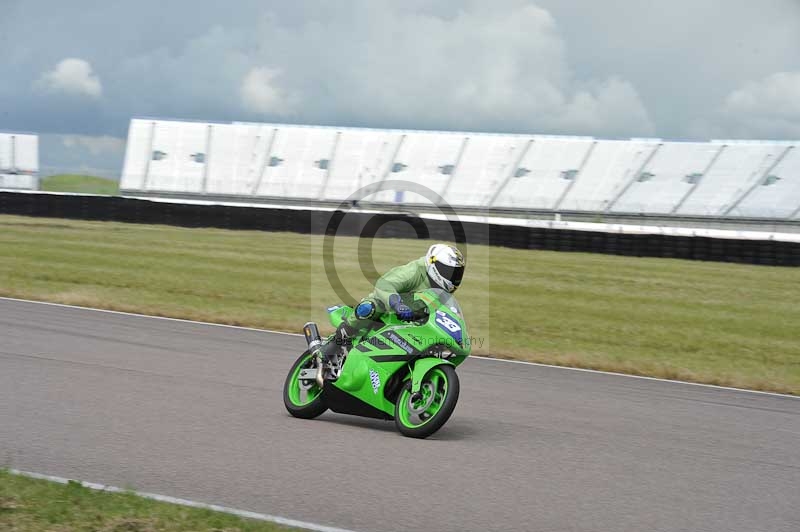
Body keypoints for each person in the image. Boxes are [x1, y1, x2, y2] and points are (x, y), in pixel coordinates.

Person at [320, 243, 466, 364]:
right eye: (449, 271)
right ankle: (336, 343)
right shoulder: (416, 270)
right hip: (389, 311)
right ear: (434, 263)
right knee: (369, 308)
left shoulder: (443, 293)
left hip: (414, 322)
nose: (453, 277)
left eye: (457, 273)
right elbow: (384, 284)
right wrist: (398, 305)